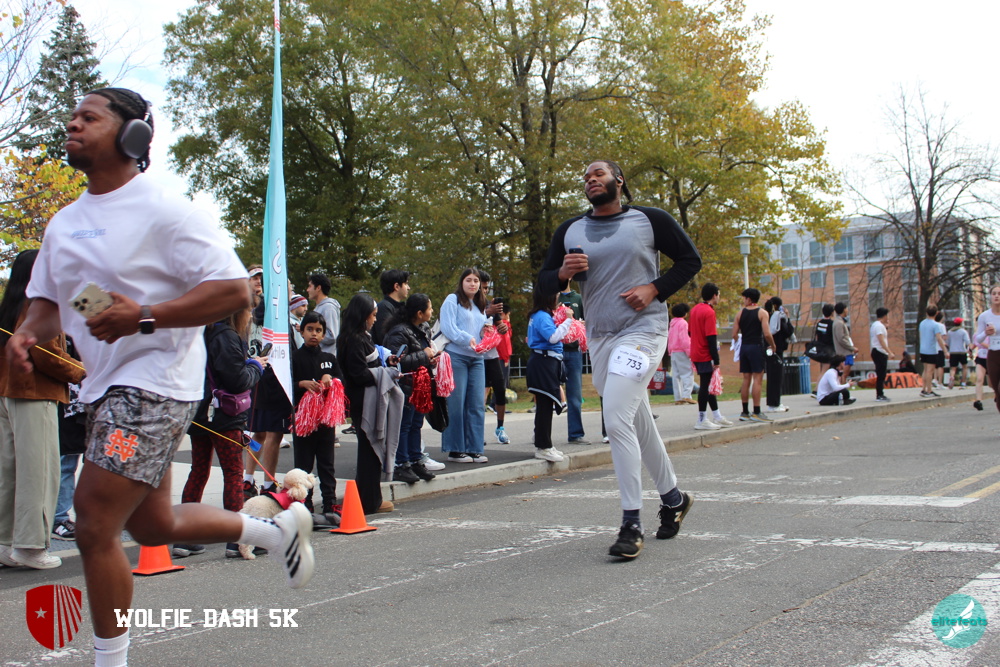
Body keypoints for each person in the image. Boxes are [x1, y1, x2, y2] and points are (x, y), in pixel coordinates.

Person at [6, 88, 313, 666]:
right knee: (152, 526)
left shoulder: (165, 210)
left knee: (94, 520)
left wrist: (143, 316)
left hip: (155, 384)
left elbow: (232, 290)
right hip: (101, 389)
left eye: (89, 117)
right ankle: (275, 531)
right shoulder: (65, 224)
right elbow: (50, 302)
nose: (73, 124)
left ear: (133, 136)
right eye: (72, 116)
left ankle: (110, 660)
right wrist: (26, 335)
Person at [538, 158, 701, 559]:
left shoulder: (649, 220)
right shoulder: (570, 230)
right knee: (637, 419)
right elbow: (542, 285)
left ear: (619, 180)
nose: (590, 179)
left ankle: (631, 523)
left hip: (644, 332)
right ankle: (674, 499)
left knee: (614, 418)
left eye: (599, 173)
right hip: (601, 337)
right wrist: (561, 274)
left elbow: (690, 260)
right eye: (586, 177)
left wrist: (654, 289)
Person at [0, 249, 86, 569]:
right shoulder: (38, 306)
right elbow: (48, 355)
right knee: (39, 472)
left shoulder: (11, 305)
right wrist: (84, 371)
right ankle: (31, 546)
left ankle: (5, 542)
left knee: (9, 473)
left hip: (7, 395)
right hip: (35, 394)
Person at [176, 304, 265, 559]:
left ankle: (185, 537)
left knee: (199, 470)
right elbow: (237, 380)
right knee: (233, 473)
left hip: (199, 410)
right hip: (225, 414)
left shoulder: (199, 333)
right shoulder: (226, 335)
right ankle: (236, 540)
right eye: (248, 309)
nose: (250, 315)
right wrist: (256, 366)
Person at [338, 293, 398, 513]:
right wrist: (385, 373)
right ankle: (369, 501)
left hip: (367, 398)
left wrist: (386, 362)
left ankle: (368, 498)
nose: (375, 319)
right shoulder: (354, 339)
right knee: (370, 449)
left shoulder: (360, 336)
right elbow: (358, 374)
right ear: (363, 316)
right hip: (364, 400)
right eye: (372, 315)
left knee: (371, 449)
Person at [438, 268, 503, 464]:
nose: (473, 284)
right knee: (456, 404)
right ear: (462, 282)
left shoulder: (480, 304)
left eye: (476, 281)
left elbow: (480, 329)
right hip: (456, 356)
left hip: (477, 358)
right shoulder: (453, 300)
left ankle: (474, 448)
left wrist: (486, 332)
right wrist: (468, 338)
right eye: (469, 280)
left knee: (476, 404)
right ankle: (455, 449)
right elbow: (448, 327)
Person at [383, 293, 439, 483]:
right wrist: (424, 355)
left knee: (416, 424)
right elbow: (397, 361)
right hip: (406, 385)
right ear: (419, 313)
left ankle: (415, 460)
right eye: (430, 308)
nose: (432, 311)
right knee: (404, 424)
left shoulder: (423, 328)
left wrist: (431, 359)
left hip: (420, 385)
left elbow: (423, 355)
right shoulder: (399, 332)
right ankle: (401, 463)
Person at [292, 311, 342, 515]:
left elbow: (341, 381)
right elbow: (284, 385)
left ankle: (330, 502)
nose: (314, 334)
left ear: (323, 334)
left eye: (318, 330)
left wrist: (331, 379)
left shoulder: (329, 359)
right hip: (303, 421)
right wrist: (301, 384)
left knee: (327, 463)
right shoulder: (294, 358)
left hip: (325, 420)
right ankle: (305, 502)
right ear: (302, 331)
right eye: (310, 329)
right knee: (303, 464)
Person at [526, 286, 573, 462]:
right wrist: (568, 320)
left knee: (545, 405)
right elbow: (553, 337)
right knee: (545, 406)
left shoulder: (539, 315)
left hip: (545, 361)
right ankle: (543, 447)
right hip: (543, 361)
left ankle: (545, 443)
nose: (558, 299)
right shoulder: (542, 316)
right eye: (556, 295)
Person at [53, 336, 87, 542]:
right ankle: (59, 518)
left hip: (93, 401)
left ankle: (98, 515)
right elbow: (54, 358)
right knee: (66, 462)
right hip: (69, 403)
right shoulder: (61, 330)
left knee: (99, 463)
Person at [689, 283, 733, 431]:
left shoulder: (695, 309)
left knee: (707, 385)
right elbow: (711, 336)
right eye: (718, 294)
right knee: (705, 386)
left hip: (696, 351)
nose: (719, 297)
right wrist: (716, 359)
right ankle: (701, 419)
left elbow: (690, 332)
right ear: (714, 295)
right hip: (705, 353)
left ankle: (717, 416)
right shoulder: (709, 312)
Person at [731, 288, 776, 423]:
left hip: (744, 347)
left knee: (746, 379)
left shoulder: (740, 314)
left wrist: (740, 342)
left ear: (749, 299)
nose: (743, 301)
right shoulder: (762, 313)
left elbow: (734, 334)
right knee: (757, 379)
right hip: (756, 346)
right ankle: (756, 411)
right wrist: (773, 345)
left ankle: (745, 412)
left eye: (744, 298)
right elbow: (767, 333)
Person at [479, 270, 512, 444]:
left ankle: (500, 428)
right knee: (479, 394)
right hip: (476, 356)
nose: (484, 291)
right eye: (482, 287)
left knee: (500, 390)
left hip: (492, 355)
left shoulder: (489, 304)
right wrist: (487, 312)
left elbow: (500, 325)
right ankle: (477, 430)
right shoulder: (468, 304)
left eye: (486, 288)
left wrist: (502, 327)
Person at [558, 284, 589, 442]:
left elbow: (587, 320)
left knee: (575, 395)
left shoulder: (578, 298)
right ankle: (541, 434)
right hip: (555, 350)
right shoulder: (551, 297)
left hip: (574, 351)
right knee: (547, 394)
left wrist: (583, 324)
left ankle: (576, 434)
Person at [973, 285, 1000, 414]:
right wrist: (986, 333)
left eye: (999, 293)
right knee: (997, 390)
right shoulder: (984, 316)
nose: (996, 296)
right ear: (990, 296)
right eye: (994, 293)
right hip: (993, 354)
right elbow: (978, 339)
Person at [764, 297, 791, 413]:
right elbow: (788, 331)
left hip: (767, 350)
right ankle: (774, 404)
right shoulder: (779, 317)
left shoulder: (765, 316)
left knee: (771, 377)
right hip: (777, 349)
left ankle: (774, 402)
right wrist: (788, 318)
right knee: (777, 377)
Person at [372, 269, 410, 345]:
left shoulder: (401, 308)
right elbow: (385, 338)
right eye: (406, 284)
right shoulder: (383, 307)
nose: (408, 287)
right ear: (396, 286)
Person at [919, 305, 949, 398]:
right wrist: (945, 351)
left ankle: (924, 389)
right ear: (936, 313)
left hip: (923, 349)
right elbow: (939, 339)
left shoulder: (922, 323)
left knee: (925, 370)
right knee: (930, 371)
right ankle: (929, 390)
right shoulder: (935, 325)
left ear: (926, 313)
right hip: (931, 349)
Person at [668, 303, 695, 405]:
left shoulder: (672, 324)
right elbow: (685, 339)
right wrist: (690, 352)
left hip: (673, 352)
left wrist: (670, 351)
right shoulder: (683, 323)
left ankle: (678, 397)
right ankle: (687, 395)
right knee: (687, 373)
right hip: (682, 351)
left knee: (676, 375)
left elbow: (670, 338)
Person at [307, 272, 340, 354]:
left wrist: (309, 333)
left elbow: (332, 336)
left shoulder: (329, 308)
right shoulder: (319, 307)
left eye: (310, 286)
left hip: (326, 357)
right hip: (316, 356)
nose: (307, 290)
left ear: (318, 288)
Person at [869, 307, 894, 402]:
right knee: (881, 374)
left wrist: (886, 327)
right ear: (884, 316)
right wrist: (889, 352)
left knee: (881, 373)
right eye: (887, 315)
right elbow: (881, 340)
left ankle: (880, 393)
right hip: (879, 351)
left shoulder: (875, 325)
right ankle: (879, 394)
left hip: (877, 351)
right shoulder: (879, 326)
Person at [832, 302, 858, 375]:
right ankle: (843, 382)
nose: (847, 310)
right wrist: (852, 348)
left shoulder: (840, 322)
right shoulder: (839, 323)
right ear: (844, 310)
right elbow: (841, 338)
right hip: (844, 353)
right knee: (844, 374)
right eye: (846, 308)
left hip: (846, 352)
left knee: (846, 373)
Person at [947, 317, 970, 389]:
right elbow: (967, 341)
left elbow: (947, 342)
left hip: (953, 352)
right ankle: (963, 382)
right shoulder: (963, 331)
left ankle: (951, 377)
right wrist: (969, 349)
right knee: (964, 367)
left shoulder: (950, 332)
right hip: (962, 351)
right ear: (961, 323)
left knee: (953, 368)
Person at [972, 334, 988, 411]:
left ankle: (997, 394)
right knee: (979, 379)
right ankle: (978, 401)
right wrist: (970, 349)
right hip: (980, 359)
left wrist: (981, 342)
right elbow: (974, 345)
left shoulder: (994, 334)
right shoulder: (977, 335)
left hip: (991, 359)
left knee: (992, 383)